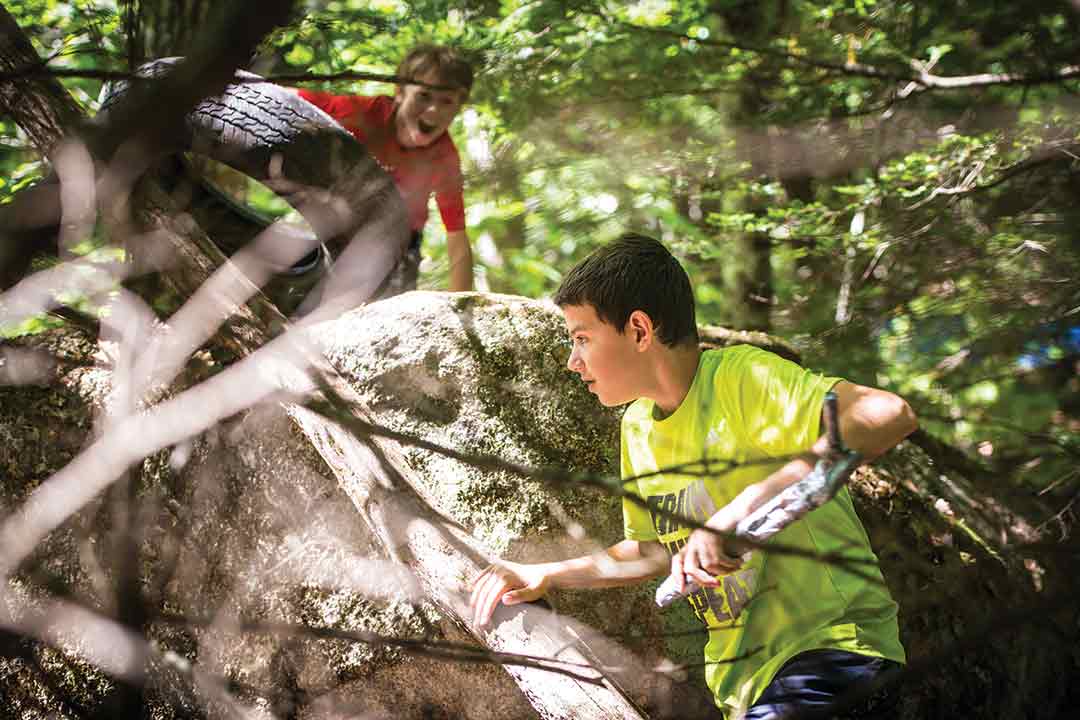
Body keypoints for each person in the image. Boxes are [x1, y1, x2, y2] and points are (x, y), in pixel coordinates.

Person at [470, 233, 916, 719]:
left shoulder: (742, 379)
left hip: (834, 655)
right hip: (744, 692)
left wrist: (741, 509)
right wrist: (545, 574)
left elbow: (888, 413)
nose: (572, 361)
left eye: (582, 338)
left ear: (639, 330)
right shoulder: (638, 427)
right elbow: (650, 551)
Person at [296, 44, 475, 293]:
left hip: (401, 242)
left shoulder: (444, 158)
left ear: (458, 108)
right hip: (340, 217)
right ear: (400, 92)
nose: (434, 109)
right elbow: (289, 98)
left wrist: (463, 302)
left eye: (447, 101)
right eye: (424, 96)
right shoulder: (363, 114)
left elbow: (456, 234)